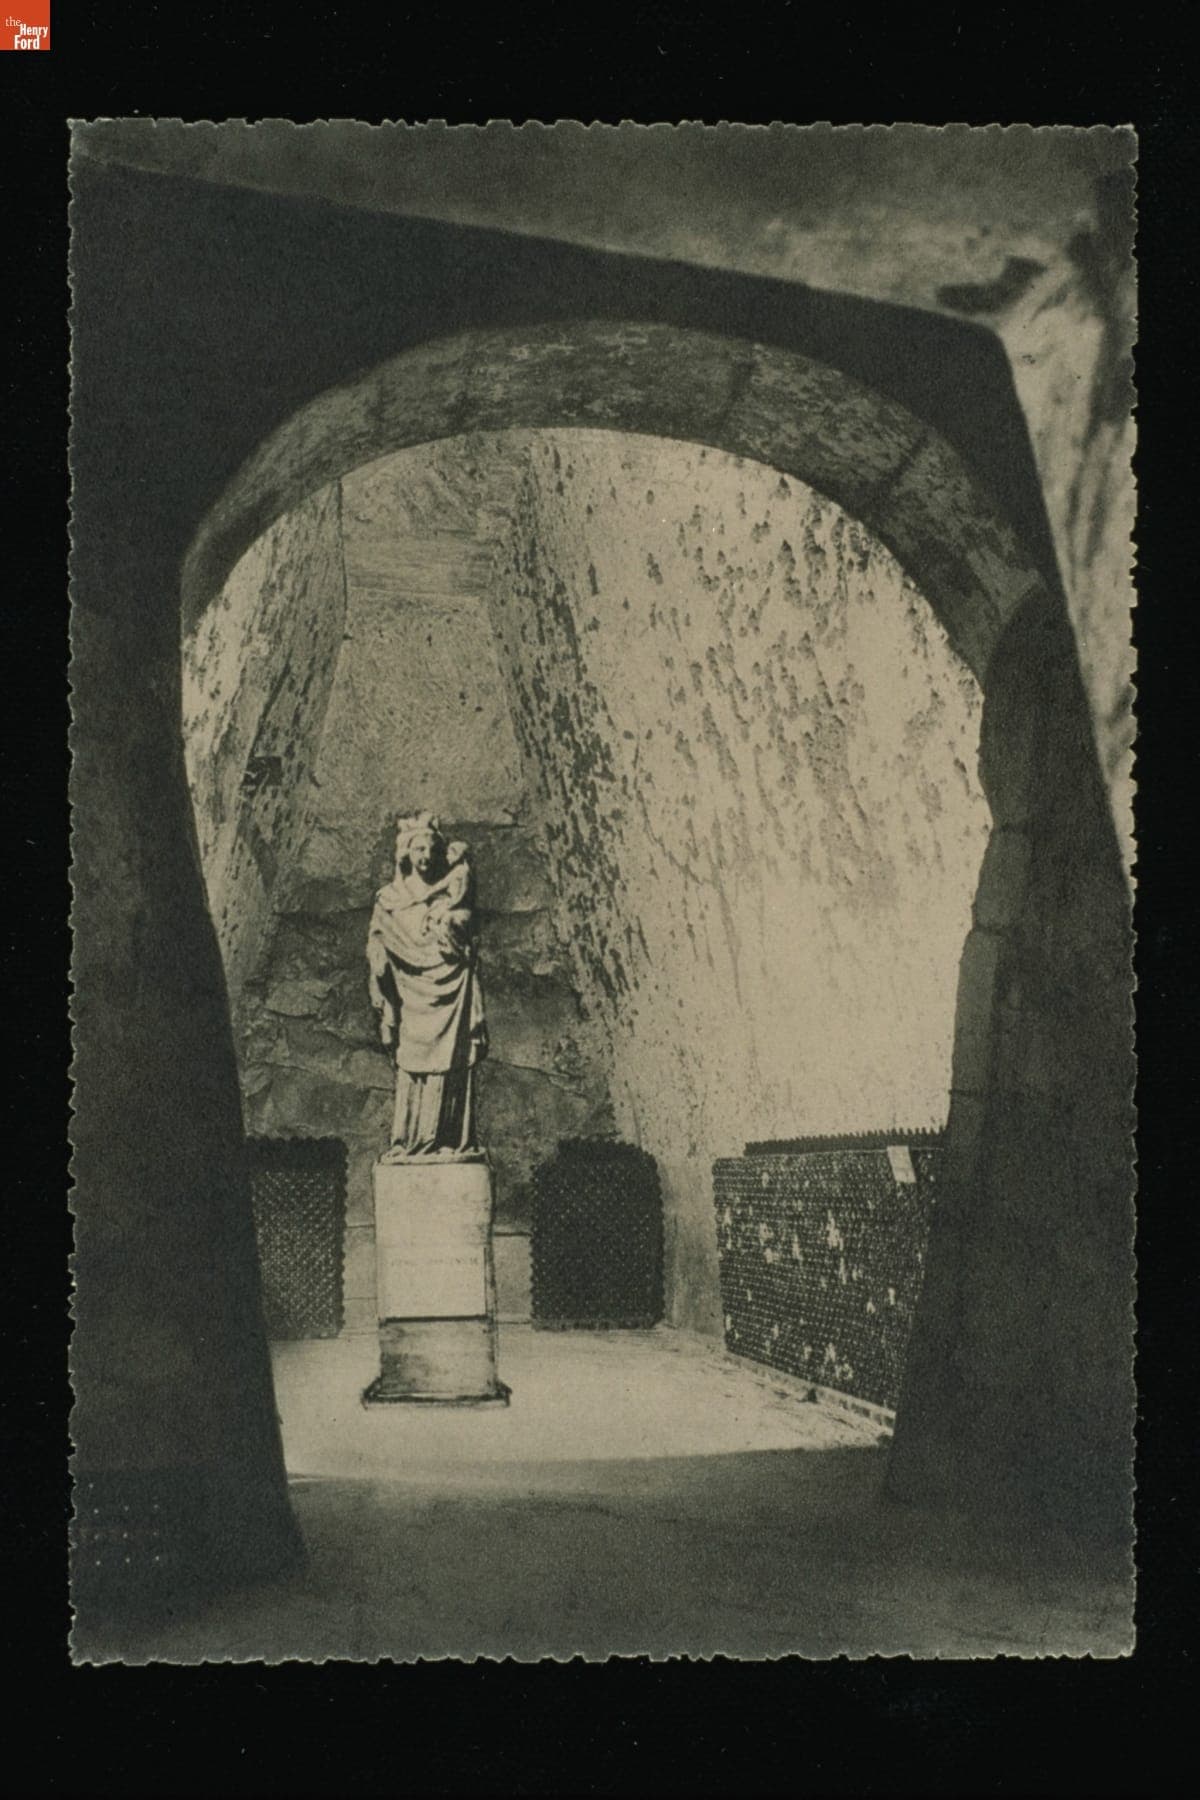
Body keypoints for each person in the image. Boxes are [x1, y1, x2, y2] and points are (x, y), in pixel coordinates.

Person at [366, 812, 488, 1156]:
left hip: (450, 987)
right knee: (411, 1063)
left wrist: (452, 929)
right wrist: (378, 958)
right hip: (409, 993)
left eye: (432, 849)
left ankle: (448, 1139)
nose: (426, 856)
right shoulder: (389, 898)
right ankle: (409, 1140)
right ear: (406, 851)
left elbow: (466, 932)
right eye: (419, 849)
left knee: (452, 1063)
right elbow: (377, 938)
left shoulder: (450, 893)